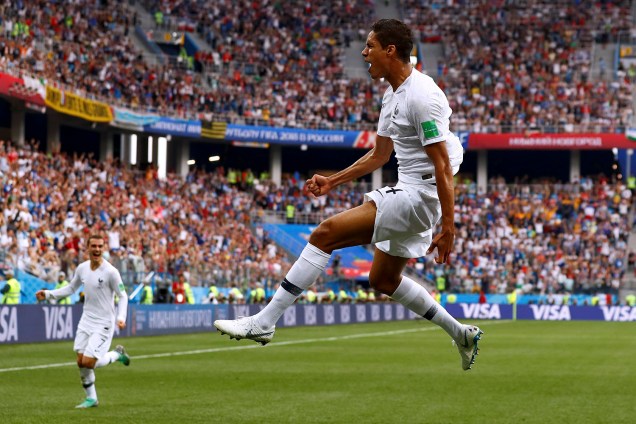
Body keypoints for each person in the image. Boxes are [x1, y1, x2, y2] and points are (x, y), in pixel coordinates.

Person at [214, 19, 483, 371]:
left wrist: (449, 226)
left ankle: (264, 321)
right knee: (383, 280)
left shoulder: (422, 96)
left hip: (419, 197)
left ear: (390, 50)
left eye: (370, 45)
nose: (363, 52)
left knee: (324, 234)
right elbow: (379, 156)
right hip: (413, 191)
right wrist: (332, 181)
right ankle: (461, 333)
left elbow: (444, 166)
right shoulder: (394, 94)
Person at [36, 234, 130, 408]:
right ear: (87, 248)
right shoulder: (82, 268)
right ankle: (92, 398)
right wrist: (48, 294)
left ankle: (117, 354)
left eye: (100, 246)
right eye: (94, 246)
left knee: (89, 362)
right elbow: (71, 288)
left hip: (104, 322)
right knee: (80, 361)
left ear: (104, 248)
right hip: (86, 319)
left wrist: (121, 317)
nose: (97, 249)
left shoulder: (111, 272)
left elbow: (122, 295)